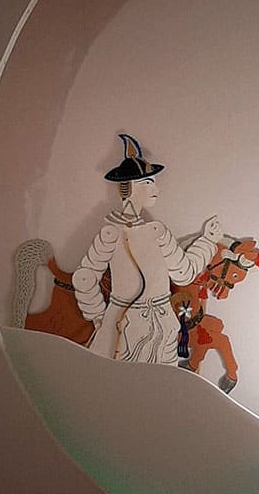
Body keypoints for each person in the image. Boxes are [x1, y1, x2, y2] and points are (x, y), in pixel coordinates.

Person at [72, 134, 220, 364]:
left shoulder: (153, 230)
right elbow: (84, 278)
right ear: (129, 186)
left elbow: (184, 273)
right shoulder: (115, 232)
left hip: (157, 326)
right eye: (148, 182)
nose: (155, 188)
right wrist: (99, 317)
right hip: (129, 326)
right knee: (118, 382)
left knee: (158, 383)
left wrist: (207, 241)